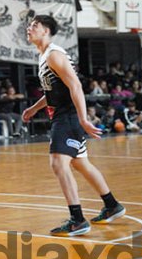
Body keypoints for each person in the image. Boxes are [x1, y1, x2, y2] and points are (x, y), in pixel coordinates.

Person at [23, 15, 125, 236]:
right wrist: (34, 108)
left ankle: (77, 220)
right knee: (81, 164)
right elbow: (54, 92)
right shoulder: (45, 56)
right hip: (63, 115)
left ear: (46, 31)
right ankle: (112, 205)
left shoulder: (54, 55)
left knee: (58, 164)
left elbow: (76, 86)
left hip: (68, 117)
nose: (29, 28)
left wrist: (83, 119)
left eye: (34, 25)